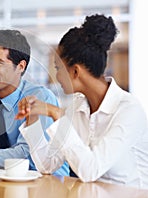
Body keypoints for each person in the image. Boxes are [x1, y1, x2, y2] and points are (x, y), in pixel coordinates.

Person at [16, 14, 148, 188]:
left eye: (58, 68)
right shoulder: (78, 106)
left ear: (75, 72)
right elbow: (48, 165)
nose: (56, 76)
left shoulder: (128, 110)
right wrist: (32, 120)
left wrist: (56, 113)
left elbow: (90, 170)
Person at [0, 29, 69, 175]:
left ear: (21, 66)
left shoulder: (40, 98)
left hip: (47, 184)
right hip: (3, 182)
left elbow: (25, 156)